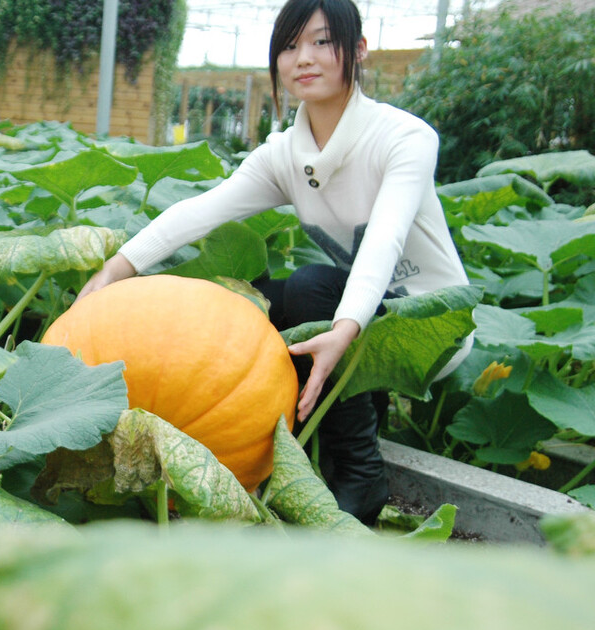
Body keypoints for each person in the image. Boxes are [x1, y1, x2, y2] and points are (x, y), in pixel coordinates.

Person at [78, 0, 471, 525]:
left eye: (322, 42)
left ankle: (359, 473)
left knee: (309, 288)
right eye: (289, 46)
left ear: (357, 50)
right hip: (356, 317)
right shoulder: (285, 155)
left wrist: (346, 326)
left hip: (429, 323)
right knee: (249, 298)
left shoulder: (405, 138)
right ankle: (315, 429)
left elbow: (385, 238)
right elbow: (200, 212)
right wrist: (116, 268)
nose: (302, 58)